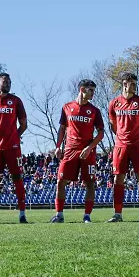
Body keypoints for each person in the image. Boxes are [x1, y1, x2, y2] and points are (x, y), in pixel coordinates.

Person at [53, 79, 105, 223]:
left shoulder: (94, 111)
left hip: (87, 152)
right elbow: (62, 129)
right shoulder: (67, 107)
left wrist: (90, 147)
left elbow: (101, 133)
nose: (93, 93)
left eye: (93, 90)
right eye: (91, 90)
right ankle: (59, 215)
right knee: (61, 181)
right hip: (69, 150)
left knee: (90, 183)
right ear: (82, 89)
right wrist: (58, 146)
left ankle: (87, 216)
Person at [0, 73, 30, 224]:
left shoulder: (16, 101)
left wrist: (14, 137)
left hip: (12, 147)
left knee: (17, 178)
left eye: (9, 81)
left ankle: (22, 215)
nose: (8, 84)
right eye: (5, 81)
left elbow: (23, 125)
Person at [107, 73, 139, 222]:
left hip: (138, 146)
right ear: (124, 84)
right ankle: (118, 214)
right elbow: (113, 126)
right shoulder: (114, 103)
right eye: (131, 83)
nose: (134, 86)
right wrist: (122, 137)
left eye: (135, 83)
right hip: (120, 146)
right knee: (118, 179)